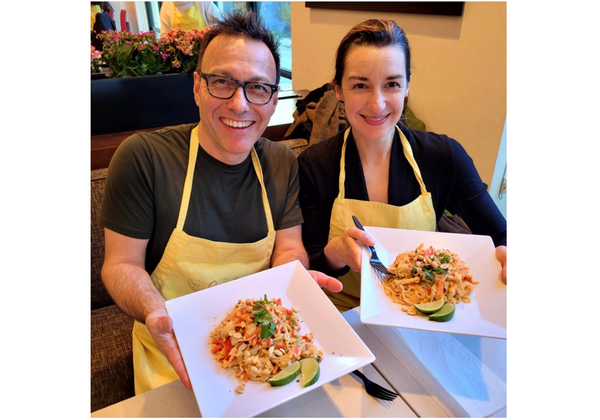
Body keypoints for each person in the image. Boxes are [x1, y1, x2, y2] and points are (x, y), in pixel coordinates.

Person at [99, 11, 342, 395]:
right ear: (197, 87)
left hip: (261, 355)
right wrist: (154, 311)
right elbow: (121, 264)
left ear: (274, 97)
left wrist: (293, 280)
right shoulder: (145, 157)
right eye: (223, 83)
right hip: (172, 354)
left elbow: (289, 246)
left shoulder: (280, 162)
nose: (240, 105)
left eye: (258, 88)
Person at [298, 19, 507, 312]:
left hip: (420, 312)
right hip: (343, 314)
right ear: (339, 90)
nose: (377, 104)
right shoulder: (313, 165)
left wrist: (507, 254)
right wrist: (334, 254)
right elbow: (308, 268)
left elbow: (501, 234)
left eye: (392, 84)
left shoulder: (444, 157)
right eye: (361, 85)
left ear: (407, 86)